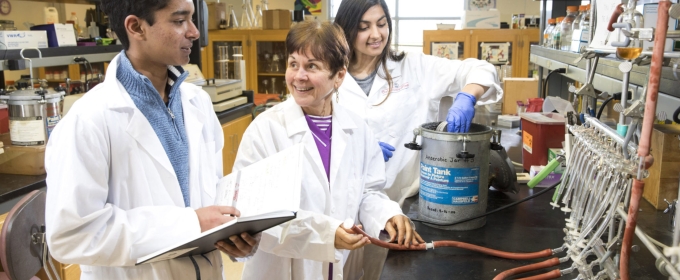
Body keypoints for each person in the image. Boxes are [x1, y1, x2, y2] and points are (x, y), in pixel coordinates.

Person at [44, 0, 257, 278]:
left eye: (192, 20)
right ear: (136, 27)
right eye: (179, 21)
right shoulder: (88, 120)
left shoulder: (198, 102)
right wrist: (190, 224)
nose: (194, 32)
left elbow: (211, 191)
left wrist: (231, 234)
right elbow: (71, 234)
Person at [233, 20, 423, 280]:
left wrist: (386, 214)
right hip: (282, 271)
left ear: (339, 76)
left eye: (312, 66)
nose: (299, 76)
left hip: (341, 267)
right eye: (293, 64)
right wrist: (326, 235)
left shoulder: (357, 129)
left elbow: (367, 192)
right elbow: (253, 218)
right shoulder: (265, 131)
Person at [334, 0, 503, 206]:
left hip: (406, 199)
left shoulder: (413, 66)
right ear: (346, 29)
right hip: (347, 199)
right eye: (364, 27)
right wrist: (355, 150)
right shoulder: (331, 76)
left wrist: (467, 96)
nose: (376, 35)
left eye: (381, 24)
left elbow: (481, 69)